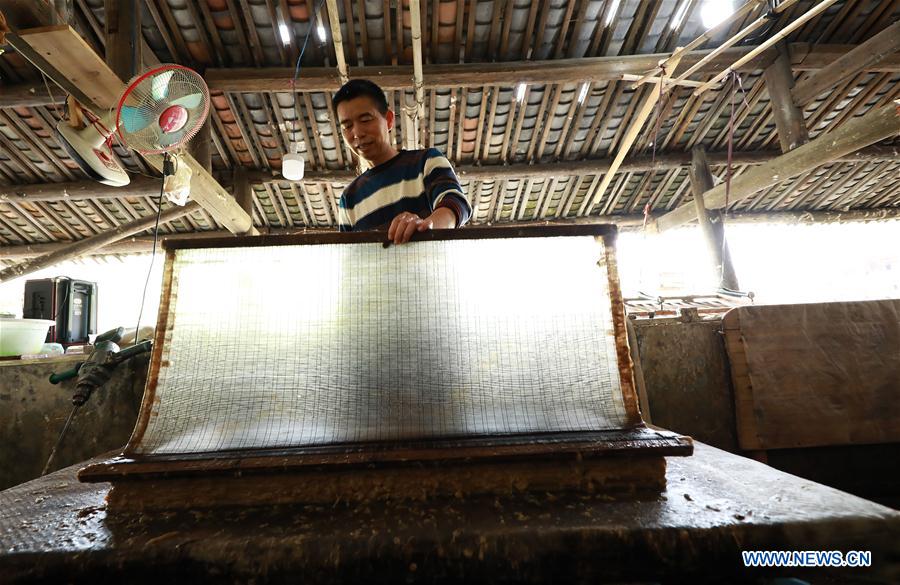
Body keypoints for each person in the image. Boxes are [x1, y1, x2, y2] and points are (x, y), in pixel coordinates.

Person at [332, 79, 472, 244]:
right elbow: (349, 256)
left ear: (389, 119)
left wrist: (427, 225)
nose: (357, 133)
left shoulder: (426, 162)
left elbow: (456, 205)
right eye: (347, 126)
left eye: (365, 120)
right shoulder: (349, 199)